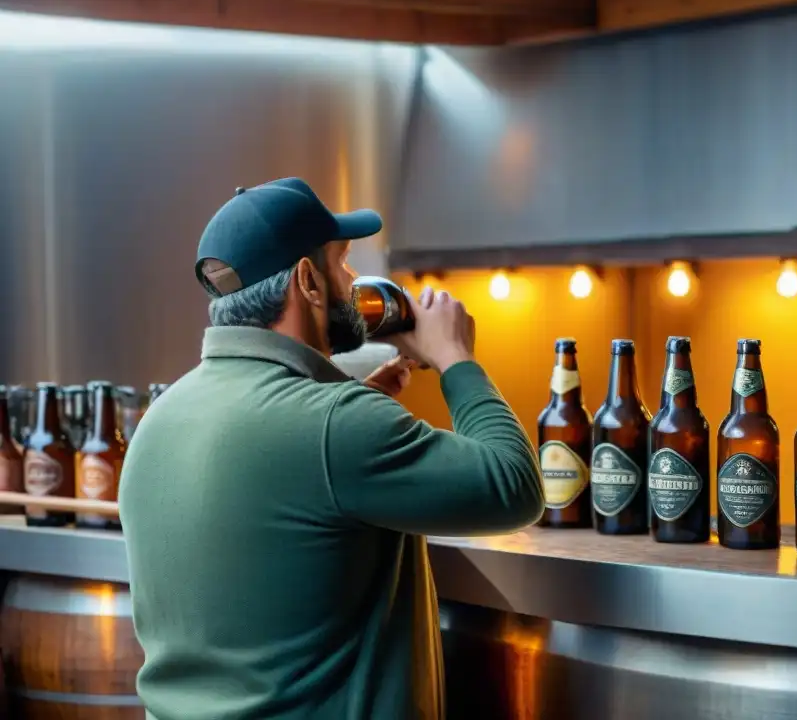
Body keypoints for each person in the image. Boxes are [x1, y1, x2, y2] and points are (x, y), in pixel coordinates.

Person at [118, 177, 544, 720]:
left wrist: (352, 407)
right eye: (342, 263)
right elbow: (515, 487)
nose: (353, 280)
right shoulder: (334, 424)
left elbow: (278, 496)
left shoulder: (162, 418)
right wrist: (454, 359)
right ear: (307, 281)